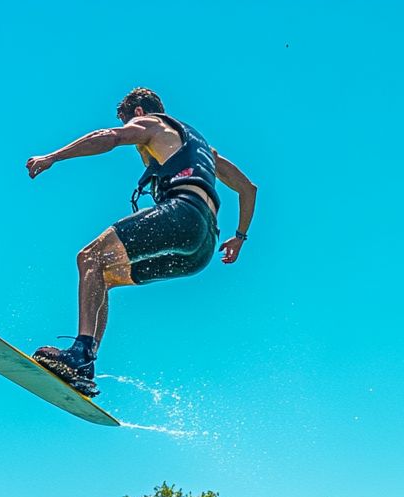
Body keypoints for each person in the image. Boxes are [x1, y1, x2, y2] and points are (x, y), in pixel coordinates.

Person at [25, 87, 257, 395]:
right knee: (103, 275)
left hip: (182, 215)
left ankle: (80, 354)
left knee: (89, 257)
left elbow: (110, 137)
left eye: (126, 120)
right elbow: (248, 188)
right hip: (202, 247)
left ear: (137, 112)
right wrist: (239, 238)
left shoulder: (151, 124)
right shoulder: (205, 152)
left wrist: (53, 157)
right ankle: (84, 368)